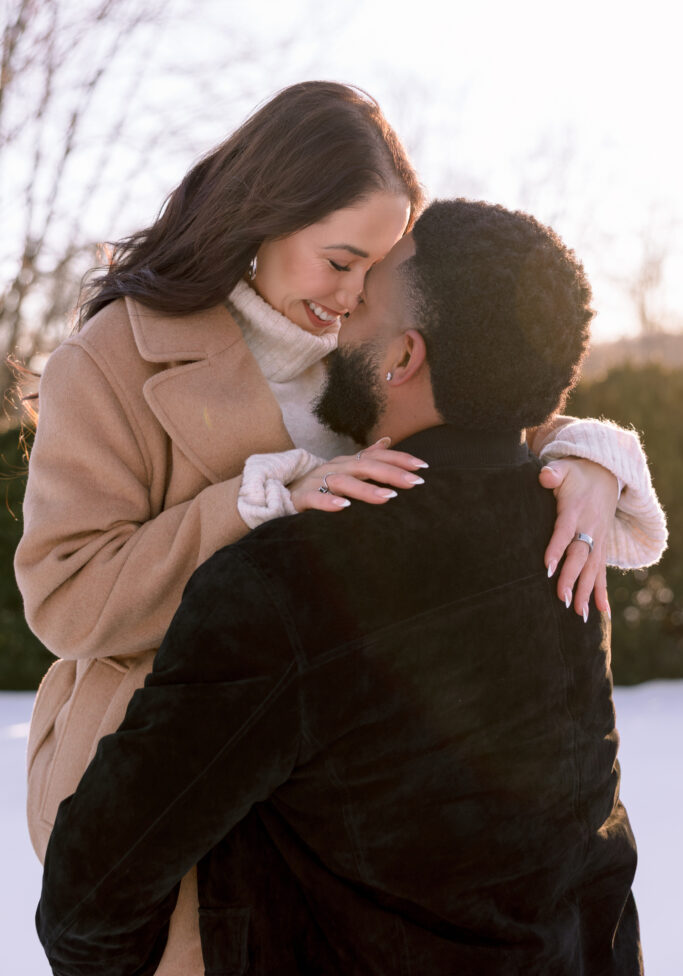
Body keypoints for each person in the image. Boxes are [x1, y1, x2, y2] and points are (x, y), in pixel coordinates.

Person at [18, 84, 664, 973]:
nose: (354, 294)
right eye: (339, 260)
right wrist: (259, 502)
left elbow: (477, 389)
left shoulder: (369, 333)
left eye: (379, 266)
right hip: (161, 783)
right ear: (266, 218)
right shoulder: (109, 360)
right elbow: (63, 596)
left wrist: (592, 456)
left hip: (338, 799)